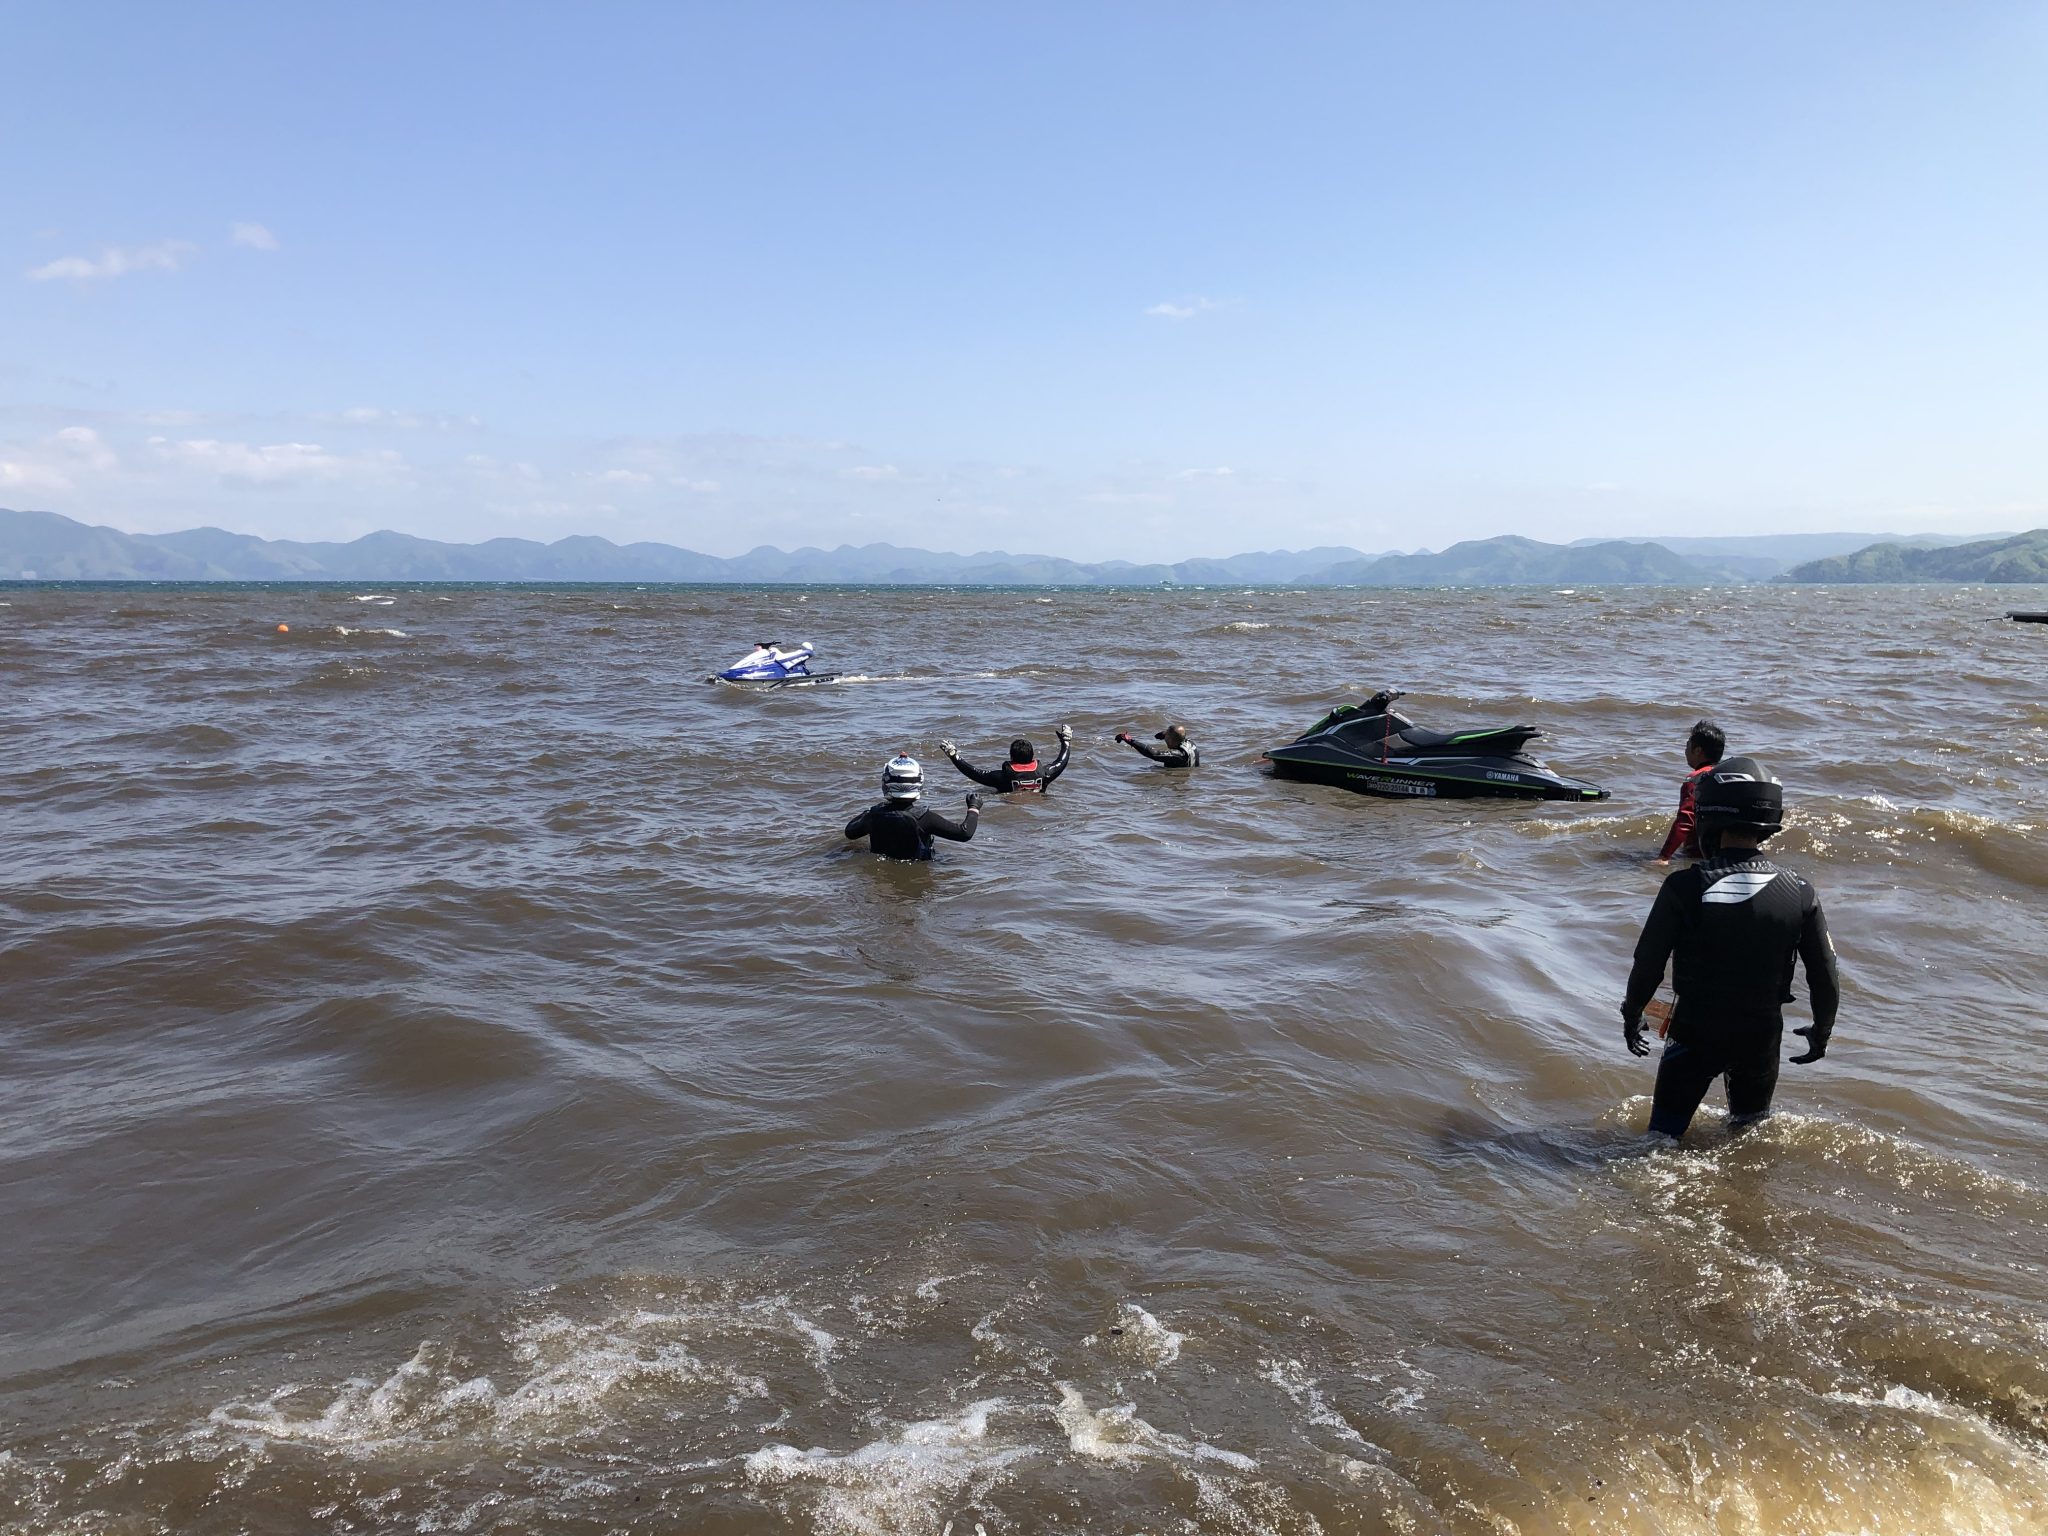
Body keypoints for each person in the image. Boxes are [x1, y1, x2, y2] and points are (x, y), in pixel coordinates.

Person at [1620, 757, 1841, 1138]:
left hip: (1695, 1031)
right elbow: (1825, 975)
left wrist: (1632, 1013)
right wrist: (1822, 1031)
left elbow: (1648, 965)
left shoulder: (1684, 888)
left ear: (1709, 813)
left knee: (1661, 1139)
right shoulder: (1801, 893)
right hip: (1760, 1035)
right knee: (1746, 1136)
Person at [844, 755, 982, 860]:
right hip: (918, 866)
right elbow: (965, 833)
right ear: (919, 783)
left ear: (885, 784)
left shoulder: (873, 816)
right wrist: (974, 807)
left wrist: (872, 810)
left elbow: (850, 832)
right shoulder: (926, 819)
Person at [1654, 719, 1726, 864]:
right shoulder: (1725, 776)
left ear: (1698, 750)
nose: (1685, 750)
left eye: (1687, 746)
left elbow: (1686, 820)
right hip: (1723, 851)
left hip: (1698, 854)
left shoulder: (1695, 780)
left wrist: (1664, 857)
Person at [938, 724, 1072, 793]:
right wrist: (1066, 741)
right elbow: (1061, 761)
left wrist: (953, 755)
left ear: (1011, 757)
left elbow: (974, 773)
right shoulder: (1046, 774)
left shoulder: (1002, 778)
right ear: (1032, 757)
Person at [1115, 723, 1200, 768]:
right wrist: (1165, 734)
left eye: (1166, 734)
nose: (1164, 735)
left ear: (1170, 739)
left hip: (1179, 779)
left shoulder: (1179, 755)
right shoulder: (1190, 743)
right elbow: (1177, 734)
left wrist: (1130, 741)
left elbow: (1153, 754)